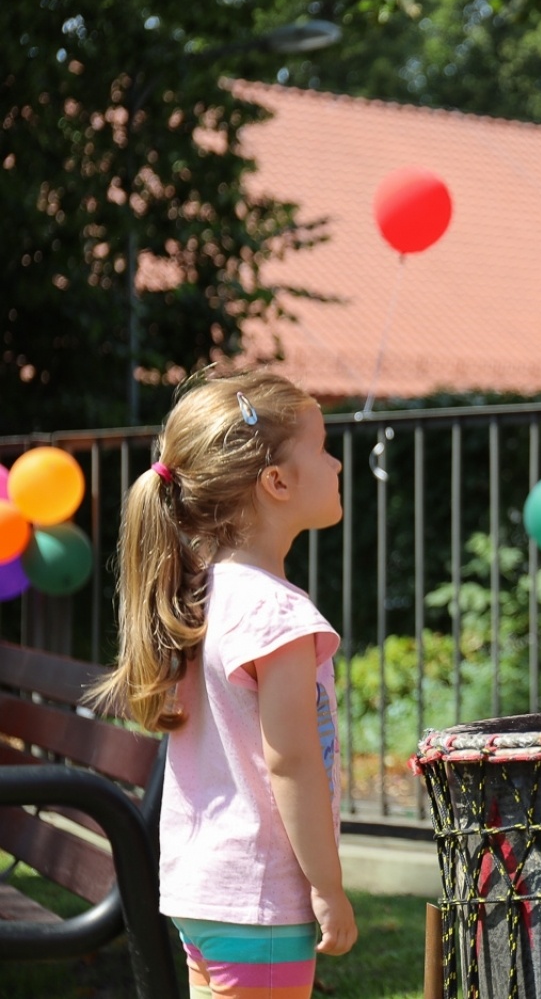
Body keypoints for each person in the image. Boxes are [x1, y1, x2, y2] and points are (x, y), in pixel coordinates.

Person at [88, 371, 355, 997]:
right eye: (322, 449)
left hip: (202, 893)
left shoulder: (201, 595)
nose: (337, 463)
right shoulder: (277, 614)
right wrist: (327, 885)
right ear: (277, 482)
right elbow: (291, 762)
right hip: (260, 900)